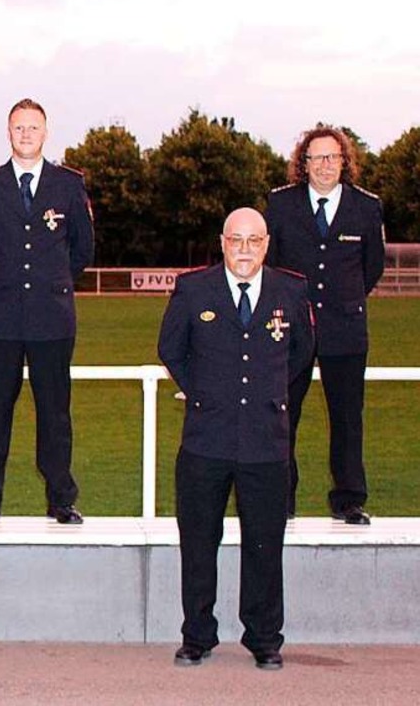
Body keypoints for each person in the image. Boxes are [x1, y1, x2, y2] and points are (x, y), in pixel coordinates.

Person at [158, 208, 314, 671]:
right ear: (222, 242)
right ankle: (197, 635)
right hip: (206, 440)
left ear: (266, 244)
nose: (244, 250)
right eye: (235, 240)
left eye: (253, 241)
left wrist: (270, 395)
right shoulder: (193, 290)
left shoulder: (292, 290)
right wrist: (203, 392)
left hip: (267, 442)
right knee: (199, 542)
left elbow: (302, 353)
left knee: (265, 543)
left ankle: (264, 638)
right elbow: (170, 347)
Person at [0, 98, 95, 524]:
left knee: (54, 412)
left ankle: (61, 498)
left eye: (33, 127)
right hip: (0, 318)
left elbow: (82, 250)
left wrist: (48, 282)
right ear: (8, 132)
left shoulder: (69, 185)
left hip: (52, 318)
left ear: (46, 132)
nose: (26, 134)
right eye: (19, 128)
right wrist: (5, 279)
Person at [264, 126, 386, 524]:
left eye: (333, 157)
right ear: (304, 163)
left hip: (345, 329)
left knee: (348, 418)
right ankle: (280, 499)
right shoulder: (280, 205)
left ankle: (349, 500)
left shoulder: (367, 207)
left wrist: (342, 301)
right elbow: (273, 264)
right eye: (317, 157)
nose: (325, 165)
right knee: (283, 416)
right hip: (290, 329)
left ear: (344, 161)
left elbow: (372, 268)